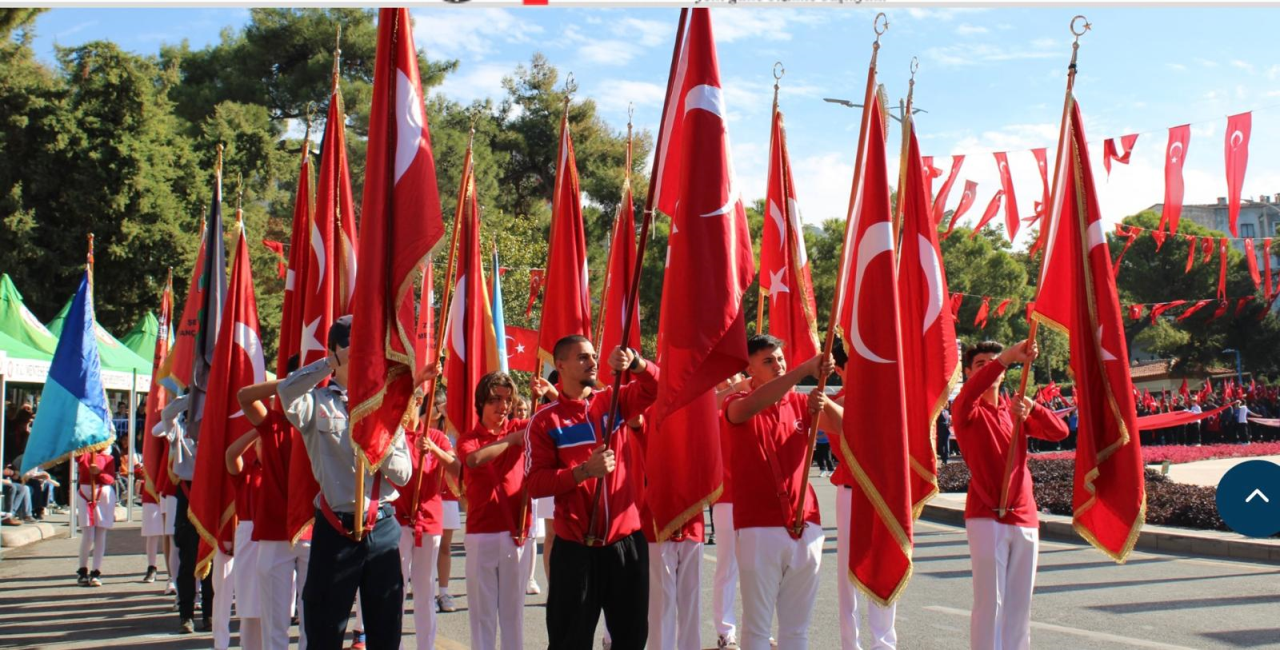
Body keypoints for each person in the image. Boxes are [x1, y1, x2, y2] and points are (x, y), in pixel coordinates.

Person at [276, 315, 419, 650]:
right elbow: (286, 391)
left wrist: (374, 438)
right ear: (335, 353)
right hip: (335, 529)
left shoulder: (385, 408)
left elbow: (404, 474)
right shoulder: (317, 404)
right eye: (351, 350)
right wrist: (330, 362)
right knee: (324, 629)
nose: (359, 359)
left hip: (381, 527)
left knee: (386, 630)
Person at [526, 337, 659, 650]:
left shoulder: (615, 401)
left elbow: (657, 387)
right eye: (582, 357)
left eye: (594, 356)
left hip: (626, 545)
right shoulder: (545, 421)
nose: (592, 362)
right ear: (560, 366)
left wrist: (636, 362)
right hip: (576, 550)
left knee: (631, 639)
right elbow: (536, 483)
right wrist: (583, 472)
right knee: (569, 640)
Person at [722, 334, 838, 650]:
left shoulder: (802, 402)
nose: (778, 365)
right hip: (758, 525)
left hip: (806, 523)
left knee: (797, 630)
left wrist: (825, 402)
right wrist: (802, 371)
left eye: (780, 359)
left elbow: (847, 428)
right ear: (749, 368)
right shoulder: (735, 402)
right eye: (768, 361)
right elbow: (752, 407)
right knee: (758, 630)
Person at [952, 339, 1068, 650]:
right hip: (987, 514)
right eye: (981, 364)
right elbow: (973, 390)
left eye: (993, 364)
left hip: (1025, 515)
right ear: (968, 372)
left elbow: (1060, 432)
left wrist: (1033, 409)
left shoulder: (1013, 409)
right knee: (991, 604)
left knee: (1019, 607)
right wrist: (1004, 358)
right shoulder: (966, 411)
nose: (990, 368)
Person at [827, 339, 897, 650]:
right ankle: (849, 643)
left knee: (886, 564)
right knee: (848, 572)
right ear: (839, 369)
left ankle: (884, 643)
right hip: (853, 493)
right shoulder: (834, 403)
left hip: (886, 495)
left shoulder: (886, 400)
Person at [457, 372, 535, 650]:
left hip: (516, 533)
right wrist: (511, 441)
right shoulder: (469, 437)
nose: (502, 406)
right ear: (481, 404)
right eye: (494, 400)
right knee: (482, 616)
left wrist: (547, 391)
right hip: (481, 535)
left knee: (513, 615)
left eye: (507, 400)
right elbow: (473, 459)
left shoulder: (520, 427)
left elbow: (549, 420)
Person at [235, 360, 307, 650]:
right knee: (274, 629)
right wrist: (289, 382)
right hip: (274, 533)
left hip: (314, 530)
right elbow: (244, 397)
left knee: (314, 626)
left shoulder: (323, 421)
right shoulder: (273, 424)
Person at [395, 397, 460, 650]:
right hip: (398, 521)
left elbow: (456, 468)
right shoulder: (393, 435)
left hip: (429, 520)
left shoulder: (436, 436)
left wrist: (433, 448)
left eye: (411, 399)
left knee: (425, 591)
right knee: (395, 590)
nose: (405, 405)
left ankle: (427, 646)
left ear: (419, 402)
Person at [153, 393, 214, 633]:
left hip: (208, 495)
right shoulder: (178, 429)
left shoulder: (213, 428)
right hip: (187, 494)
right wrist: (194, 395)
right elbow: (166, 414)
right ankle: (186, 615)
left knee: (210, 558)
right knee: (187, 560)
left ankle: (209, 614)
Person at [711, 373, 749, 650]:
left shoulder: (753, 399)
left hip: (758, 497)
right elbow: (709, 404)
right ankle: (726, 631)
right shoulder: (713, 402)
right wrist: (738, 387)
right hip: (726, 497)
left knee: (758, 570)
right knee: (727, 568)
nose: (731, 377)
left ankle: (754, 628)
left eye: (736, 372)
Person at [225, 431, 265, 650]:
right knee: (249, 607)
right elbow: (231, 455)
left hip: (277, 537)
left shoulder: (284, 471)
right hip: (249, 538)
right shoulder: (247, 472)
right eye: (261, 443)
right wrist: (259, 429)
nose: (264, 446)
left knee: (274, 608)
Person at [75, 447, 118, 587]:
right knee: (88, 536)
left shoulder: (108, 458)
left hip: (103, 495)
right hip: (85, 494)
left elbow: (111, 478)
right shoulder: (85, 454)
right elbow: (77, 456)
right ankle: (82, 570)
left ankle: (96, 571)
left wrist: (99, 472)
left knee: (101, 535)